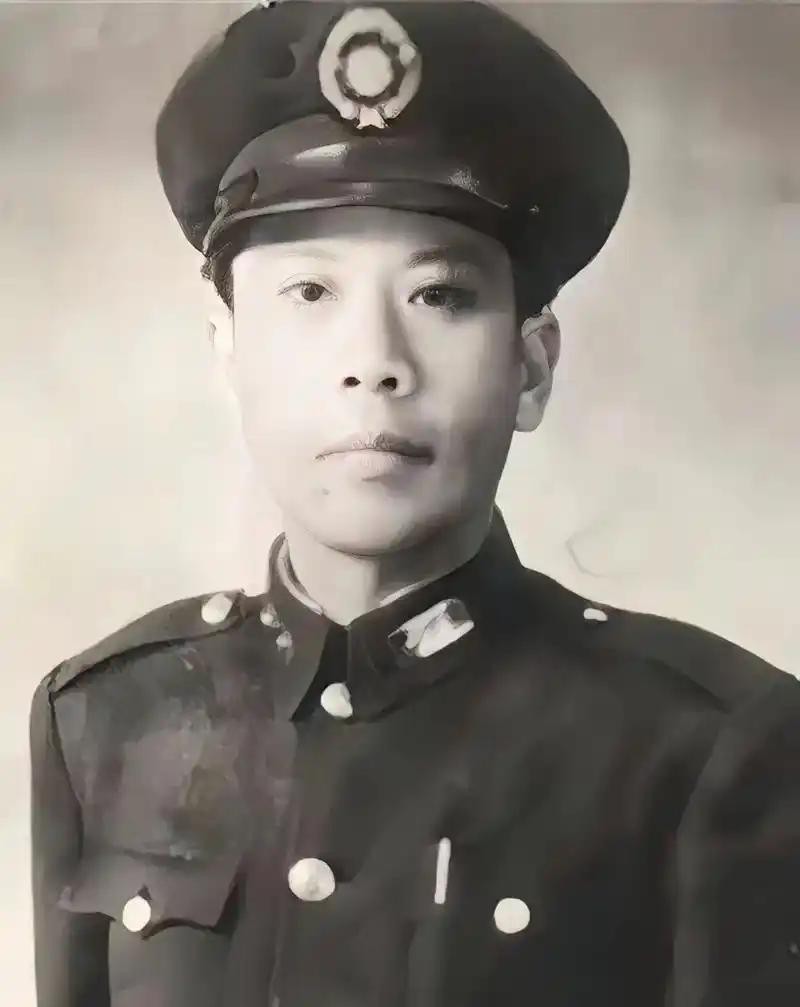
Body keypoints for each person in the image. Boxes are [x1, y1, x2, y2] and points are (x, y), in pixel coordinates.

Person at [29, 2, 800, 1006]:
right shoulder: (104, 720)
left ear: (530, 368)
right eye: (310, 295)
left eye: (439, 296)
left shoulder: (703, 748)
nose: (374, 363)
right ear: (229, 354)